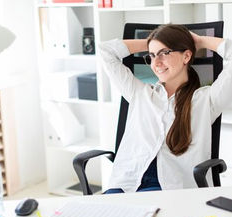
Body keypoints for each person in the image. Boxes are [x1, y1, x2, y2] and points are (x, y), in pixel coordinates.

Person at [98, 24, 231, 194]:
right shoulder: (140, 93)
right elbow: (105, 51)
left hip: (167, 189)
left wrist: (200, 41)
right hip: (126, 184)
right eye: (152, 56)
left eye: (164, 53)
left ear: (186, 56)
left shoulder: (206, 100)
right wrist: (151, 42)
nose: (156, 63)